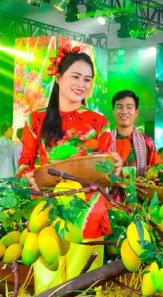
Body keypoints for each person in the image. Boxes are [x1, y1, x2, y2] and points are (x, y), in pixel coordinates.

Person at [17, 45, 120, 238]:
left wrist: (115, 167)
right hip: (48, 207)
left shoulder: (100, 122)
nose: (82, 84)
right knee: (48, 264)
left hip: (89, 211)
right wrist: (28, 176)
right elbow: (24, 163)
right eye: (75, 76)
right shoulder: (36, 119)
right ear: (58, 78)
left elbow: (107, 171)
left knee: (88, 267)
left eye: (87, 79)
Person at [112, 89, 162, 176]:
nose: (124, 111)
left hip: (141, 189)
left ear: (136, 112)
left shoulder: (147, 142)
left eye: (129, 107)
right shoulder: (104, 141)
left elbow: (157, 171)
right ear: (113, 112)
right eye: (120, 107)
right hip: (108, 190)